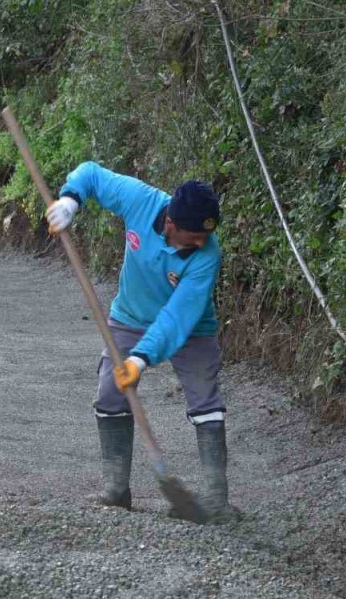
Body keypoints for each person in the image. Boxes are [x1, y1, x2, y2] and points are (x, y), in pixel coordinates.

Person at [45, 161, 234, 520]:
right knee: (109, 391)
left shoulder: (207, 254)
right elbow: (91, 175)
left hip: (191, 328)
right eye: (194, 236)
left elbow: (179, 315)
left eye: (206, 236)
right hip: (130, 317)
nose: (201, 242)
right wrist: (70, 201)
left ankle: (216, 499)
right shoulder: (140, 200)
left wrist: (141, 358)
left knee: (204, 399)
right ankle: (116, 491)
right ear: (170, 224)